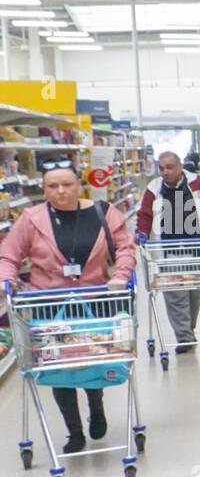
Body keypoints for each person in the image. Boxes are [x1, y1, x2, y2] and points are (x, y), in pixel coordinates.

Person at [0, 158, 136, 453]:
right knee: (58, 366)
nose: (60, 191)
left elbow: (126, 248)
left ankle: (96, 407)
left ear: (79, 185)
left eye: (67, 184)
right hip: (48, 304)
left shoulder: (104, 213)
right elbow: (8, 255)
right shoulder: (31, 219)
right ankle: (74, 432)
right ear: (44, 188)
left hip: (95, 301)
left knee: (92, 359)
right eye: (52, 186)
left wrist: (121, 276)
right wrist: (7, 280)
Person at [136, 150, 200, 354]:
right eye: (161, 168)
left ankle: (187, 330)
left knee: (194, 293)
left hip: (197, 248)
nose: (165, 172)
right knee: (175, 295)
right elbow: (145, 214)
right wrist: (141, 233)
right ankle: (183, 337)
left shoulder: (198, 183)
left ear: (180, 166)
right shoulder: (153, 188)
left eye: (170, 167)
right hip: (167, 251)